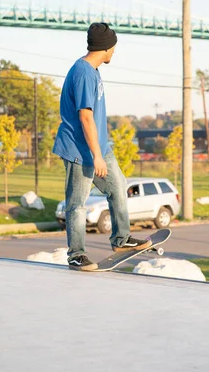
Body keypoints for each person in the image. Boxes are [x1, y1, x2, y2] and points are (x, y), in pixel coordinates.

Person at [52, 22, 151, 271]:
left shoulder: (93, 70)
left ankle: (121, 239)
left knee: (118, 188)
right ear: (106, 47)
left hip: (100, 147)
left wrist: (101, 150)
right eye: (113, 47)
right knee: (77, 204)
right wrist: (96, 156)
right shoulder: (84, 73)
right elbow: (85, 117)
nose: (114, 52)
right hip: (80, 151)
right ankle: (76, 254)